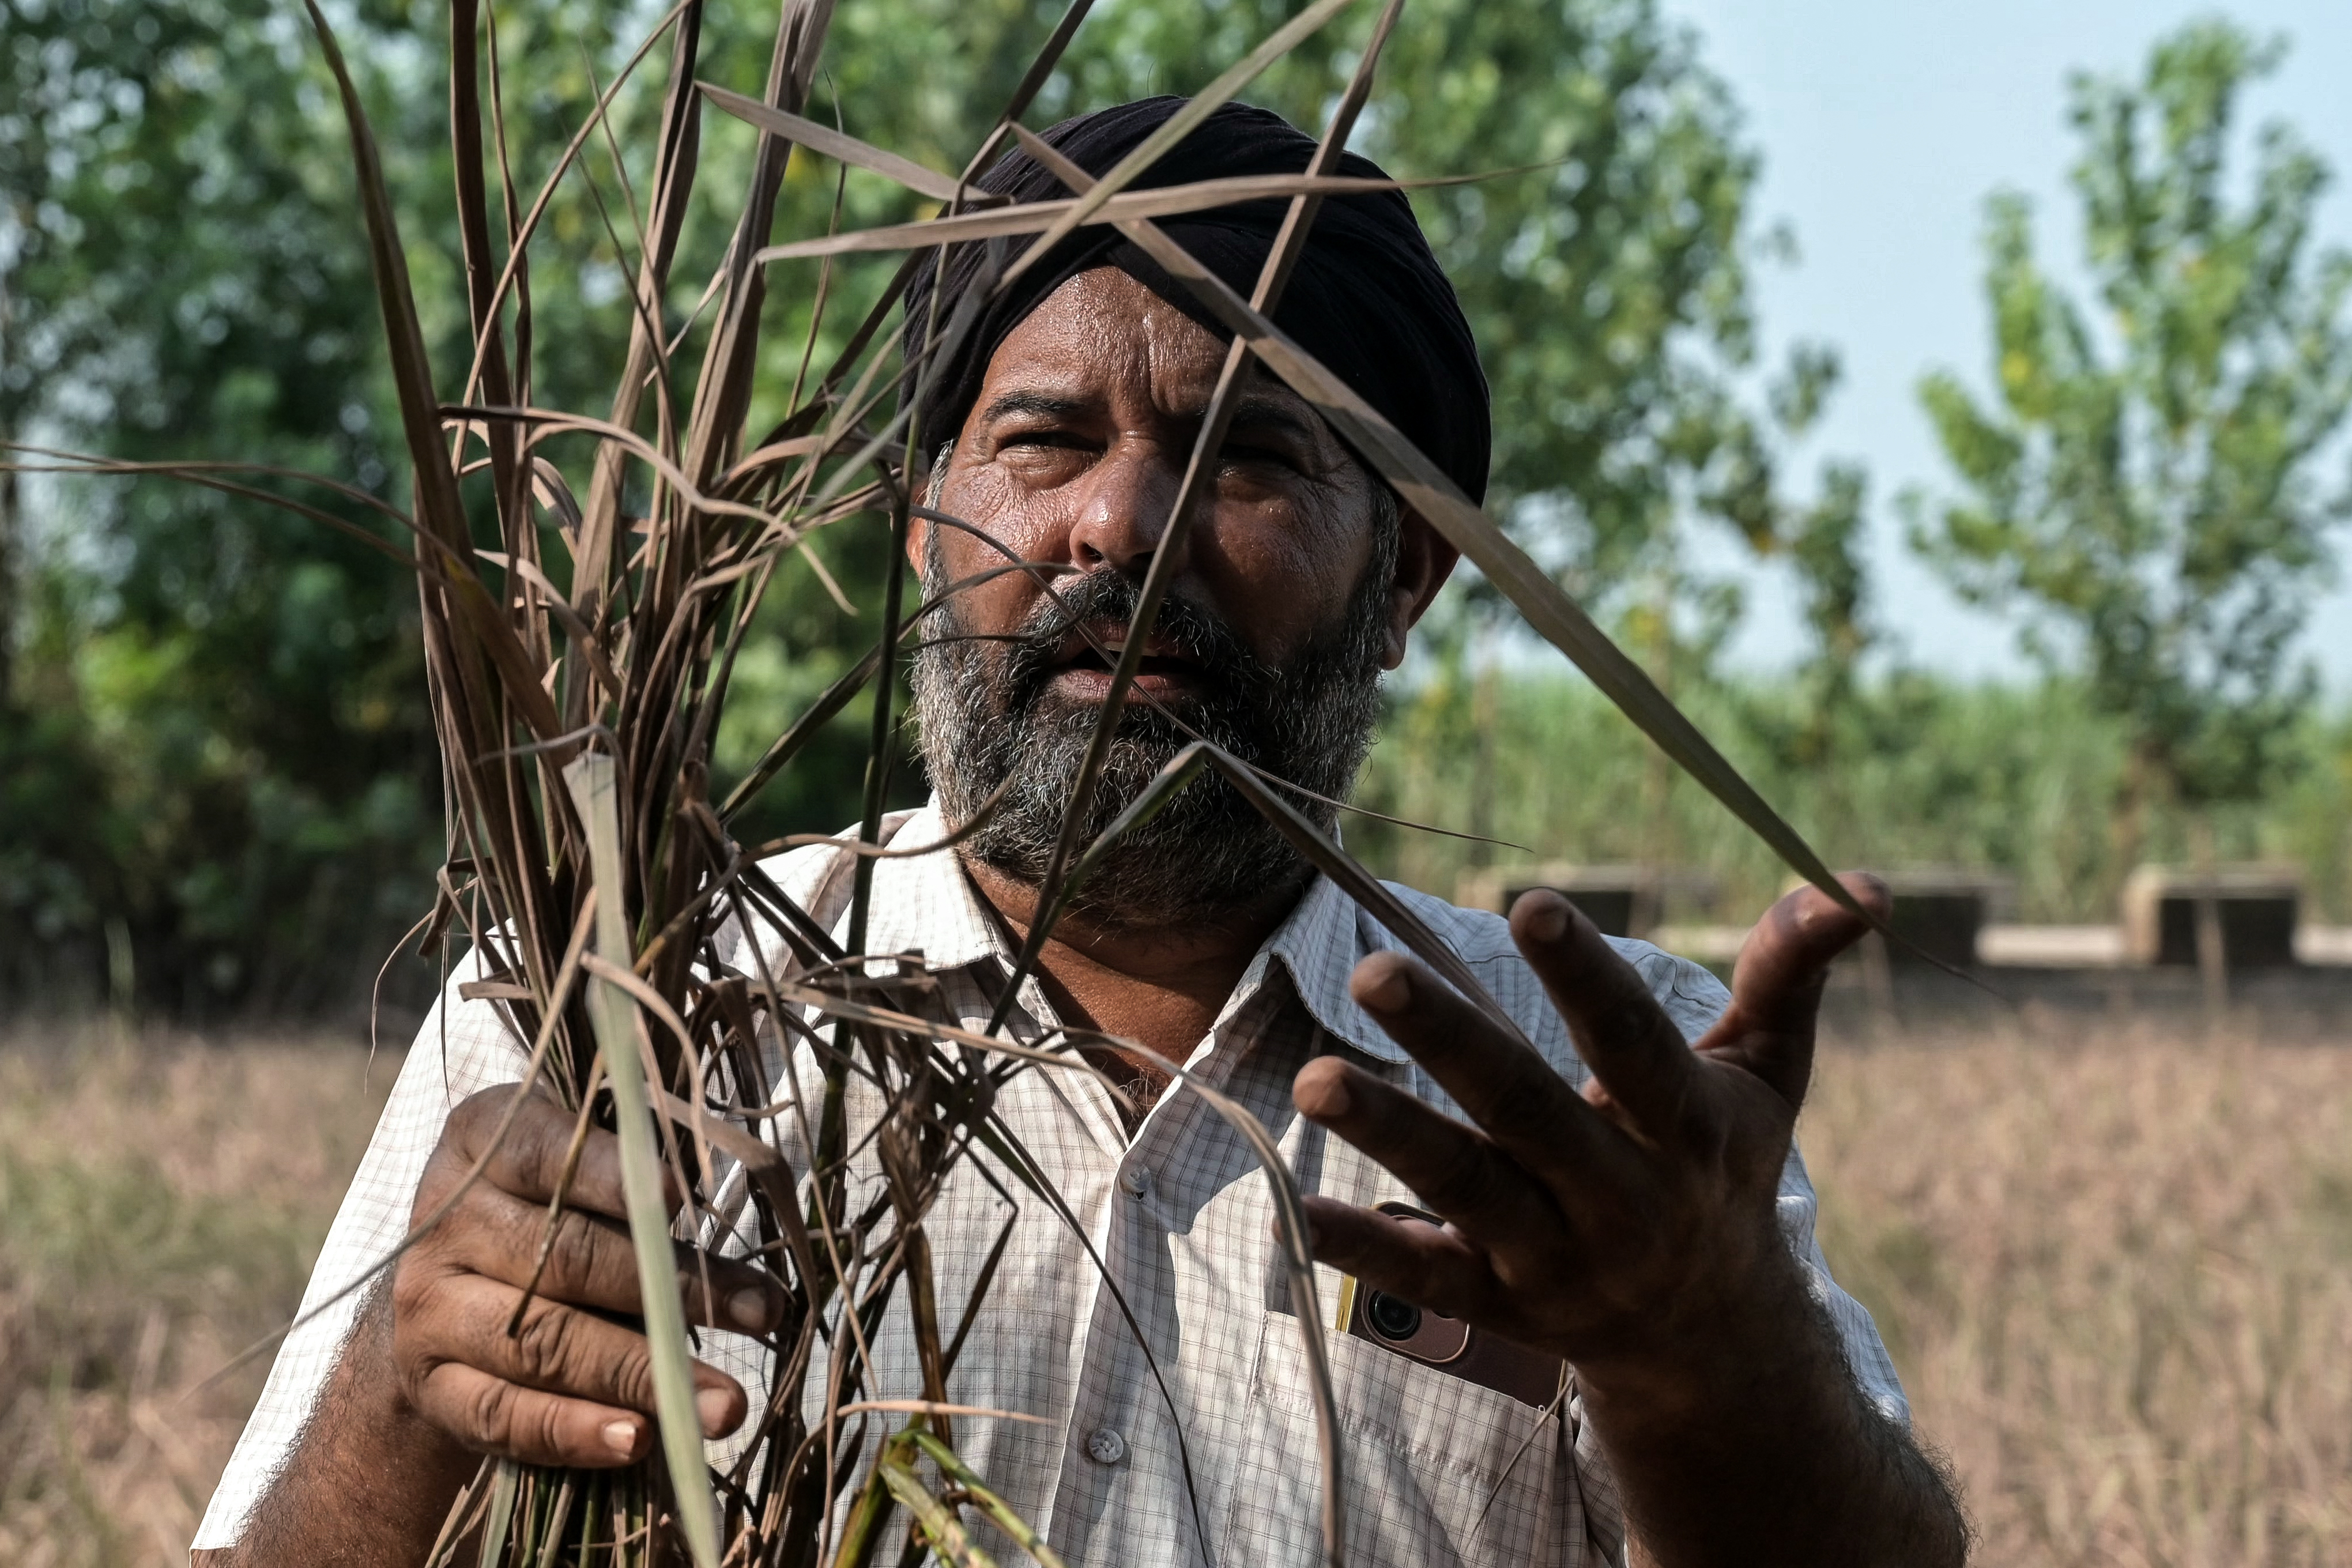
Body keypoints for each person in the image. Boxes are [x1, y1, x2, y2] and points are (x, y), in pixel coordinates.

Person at [194, 99, 1967, 1567]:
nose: (1123, 523)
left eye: (1252, 457)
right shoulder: (609, 1028)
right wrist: (402, 1390)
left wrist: (1701, 1353)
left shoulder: (1594, 1103)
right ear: (918, 526)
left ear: (1407, 573)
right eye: (1043, 439)